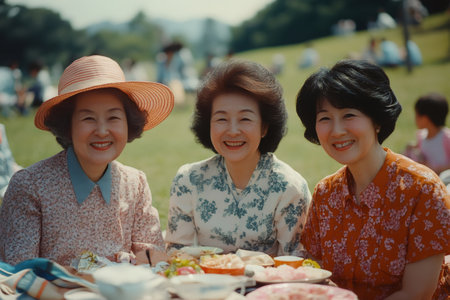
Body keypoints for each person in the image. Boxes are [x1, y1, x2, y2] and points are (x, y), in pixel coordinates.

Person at [0, 55, 174, 267]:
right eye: (88, 118)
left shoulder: (135, 183)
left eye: (113, 118)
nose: (102, 131)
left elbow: (153, 258)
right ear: (67, 125)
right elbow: (18, 274)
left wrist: (142, 260)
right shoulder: (29, 187)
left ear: (129, 123)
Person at [296, 59, 449, 299]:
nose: (336, 131)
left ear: (377, 120)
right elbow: (315, 272)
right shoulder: (325, 193)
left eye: (349, 115)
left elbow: (416, 293)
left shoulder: (422, 190)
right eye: (324, 118)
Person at [165, 59, 311, 256]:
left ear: (264, 127)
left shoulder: (289, 187)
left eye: (245, 119)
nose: (233, 131)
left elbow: (295, 261)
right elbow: (176, 253)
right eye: (221, 119)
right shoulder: (188, 180)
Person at [404, 92, 450, 176]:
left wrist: (436, 169)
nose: (415, 119)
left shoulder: (446, 138)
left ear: (425, 119)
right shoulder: (421, 136)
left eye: (417, 115)